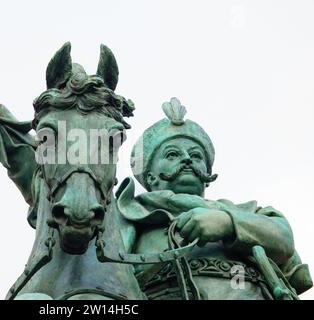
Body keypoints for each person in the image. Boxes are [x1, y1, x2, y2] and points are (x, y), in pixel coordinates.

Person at [116, 97, 312, 299]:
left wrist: (228, 223)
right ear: (150, 175)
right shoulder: (128, 215)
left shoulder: (248, 212)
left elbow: (284, 240)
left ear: (207, 176)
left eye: (197, 156)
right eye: (172, 154)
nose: (187, 159)